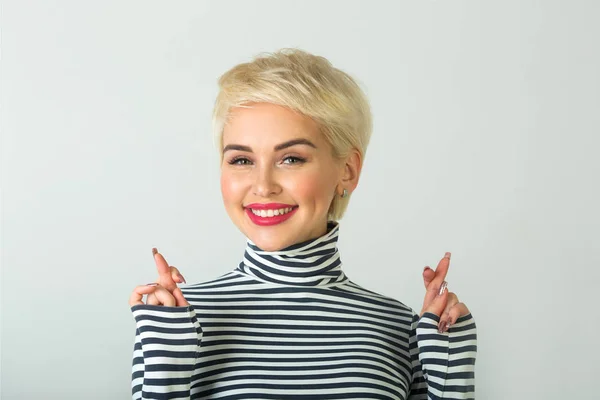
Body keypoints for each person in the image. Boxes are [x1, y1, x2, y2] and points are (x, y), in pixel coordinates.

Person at [128, 48, 477, 400]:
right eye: (242, 159)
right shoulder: (173, 323)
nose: (263, 185)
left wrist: (451, 376)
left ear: (348, 170)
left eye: (290, 158)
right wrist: (166, 370)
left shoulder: (400, 328)